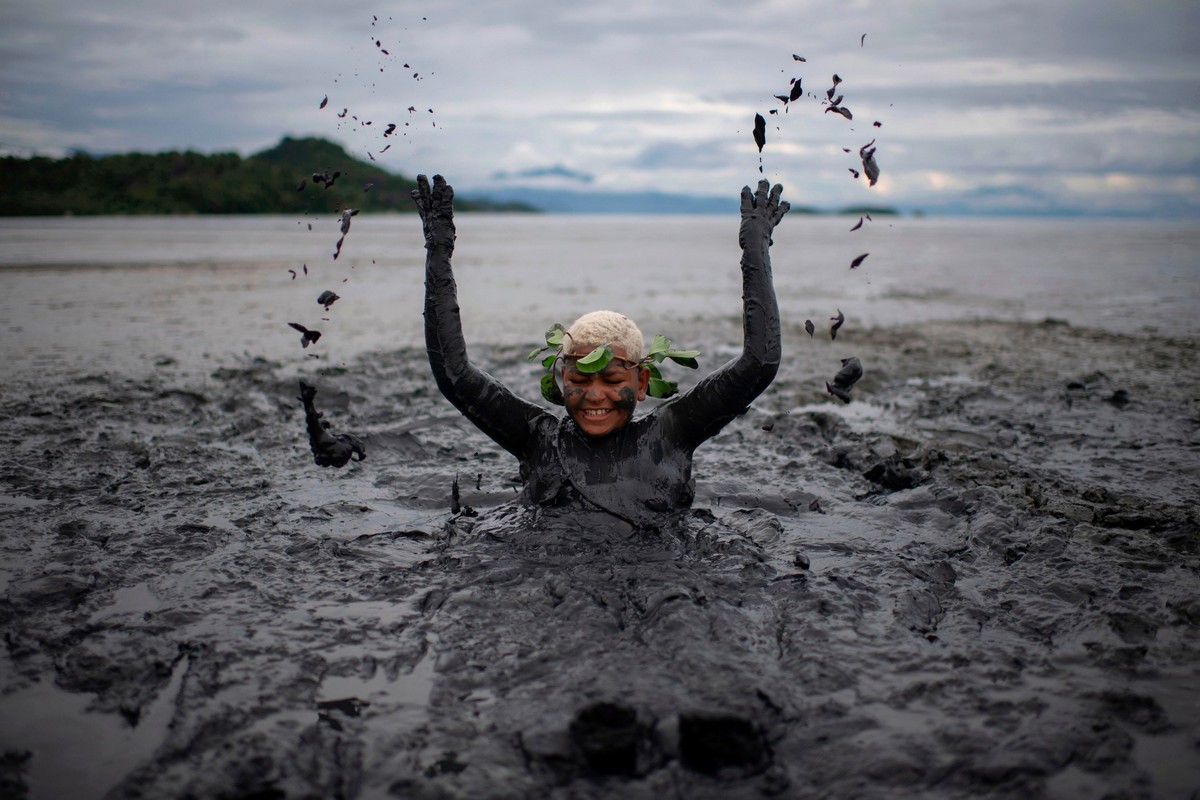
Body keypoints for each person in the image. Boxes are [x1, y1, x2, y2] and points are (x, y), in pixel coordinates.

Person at [414, 174, 789, 529]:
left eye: (611, 380)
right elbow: (455, 374)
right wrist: (438, 249)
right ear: (561, 380)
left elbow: (760, 362)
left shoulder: (669, 434)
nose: (595, 395)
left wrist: (755, 248)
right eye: (579, 380)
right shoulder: (538, 439)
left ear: (641, 382)